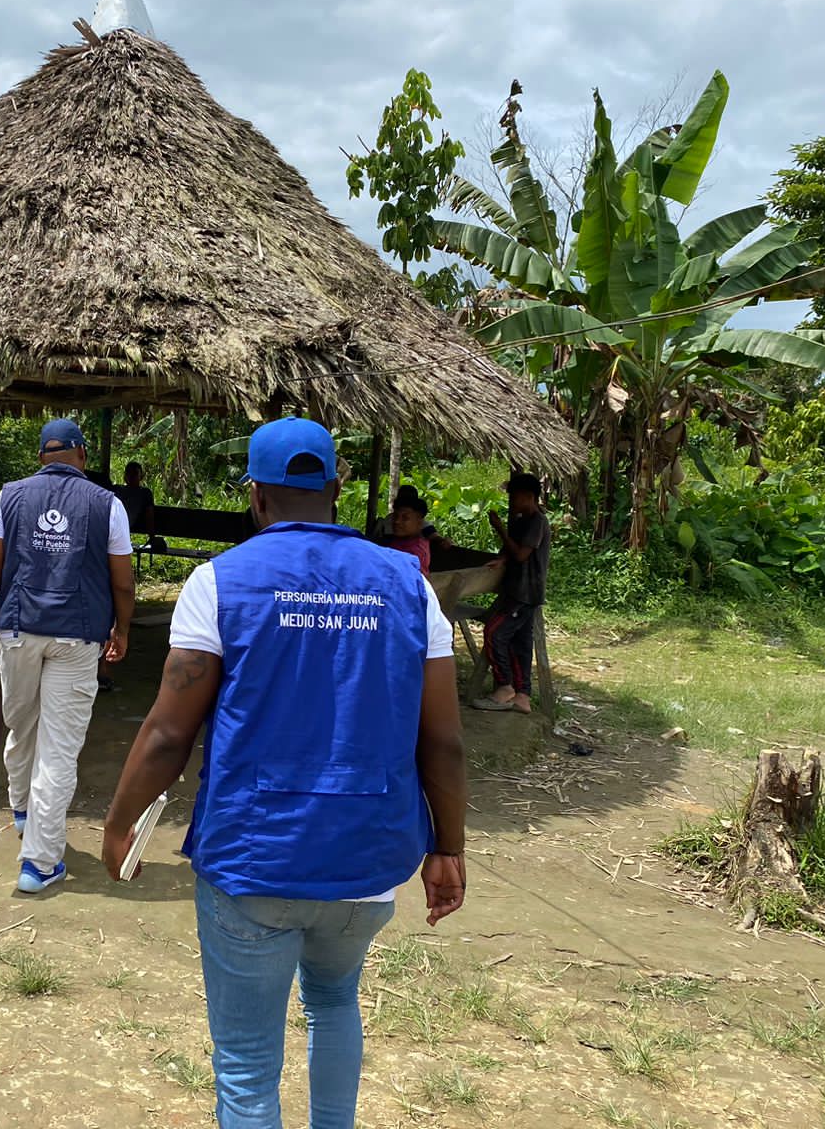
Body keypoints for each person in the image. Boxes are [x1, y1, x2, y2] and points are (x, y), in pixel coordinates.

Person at [101, 417, 467, 1128]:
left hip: (252, 858)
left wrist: (118, 826)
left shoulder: (220, 583)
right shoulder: (407, 585)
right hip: (366, 860)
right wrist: (447, 847)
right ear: (336, 489)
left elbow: (170, 732)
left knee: (245, 1064)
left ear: (255, 497)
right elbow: (444, 741)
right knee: (335, 1003)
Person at [0, 418, 136, 893]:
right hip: (78, 639)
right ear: (81, 454)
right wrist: (121, 630)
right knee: (58, 749)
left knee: (23, 725)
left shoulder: (9, 497)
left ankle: (24, 813)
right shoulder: (108, 505)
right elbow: (122, 581)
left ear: (42, 456)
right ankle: (39, 864)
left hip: (17, 631)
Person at [475, 473, 551, 716]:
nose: (510, 502)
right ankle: (523, 695)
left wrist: (500, 529)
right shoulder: (520, 520)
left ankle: (505, 687)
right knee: (520, 642)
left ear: (529, 497)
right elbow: (512, 551)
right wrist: (502, 558)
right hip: (517, 588)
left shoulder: (537, 521)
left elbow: (521, 554)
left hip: (525, 592)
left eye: (514, 497)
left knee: (494, 632)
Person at [383, 494, 432, 575]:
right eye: (395, 516)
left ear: (419, 523)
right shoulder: (400, 539)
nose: (397, 521)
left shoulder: (416, 552)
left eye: (405, 518)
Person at [114, 461, 156, 537]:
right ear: (125, 476)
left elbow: (149, 515)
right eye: (128, 473)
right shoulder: (117, 489)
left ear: (141, 476)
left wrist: (152, 537)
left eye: (135, 473)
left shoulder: (144, 493)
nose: (131, 476)